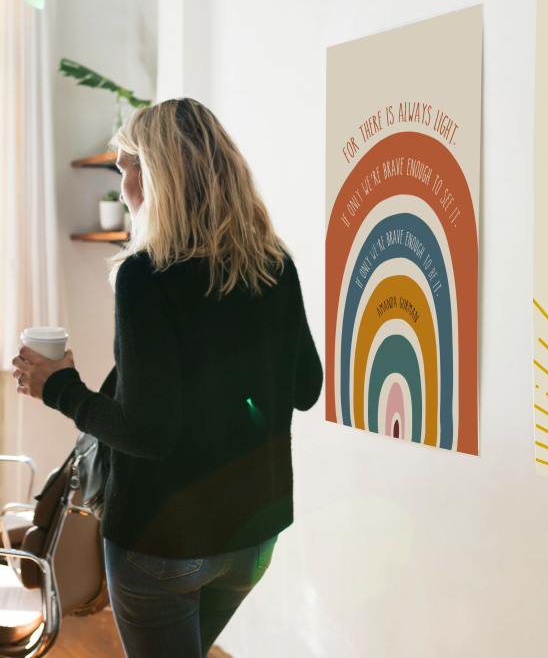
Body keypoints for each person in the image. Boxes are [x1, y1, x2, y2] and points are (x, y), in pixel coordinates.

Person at [11, 98, 323, 657]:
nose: (121, 185)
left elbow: (148, 432)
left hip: (164, 543)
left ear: (153, 174)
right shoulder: (275, 264)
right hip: (253, 536)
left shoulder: (146, 275)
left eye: (125, 166)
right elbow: (306, 388)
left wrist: (57, 387)